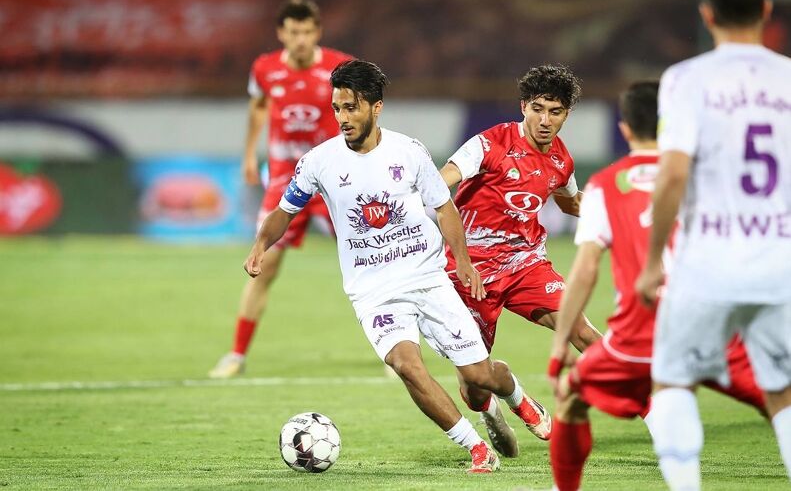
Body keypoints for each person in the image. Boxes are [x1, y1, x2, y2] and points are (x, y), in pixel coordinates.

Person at [244, 59, 550, 473]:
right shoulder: (318, 161)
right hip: (374, 291)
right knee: (406, 365)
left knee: (480, 375)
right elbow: (285, 210)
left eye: (351, 108)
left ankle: (515, 395)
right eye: (337, 108)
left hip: (427, 277)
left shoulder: (409, 152)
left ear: (376, 107)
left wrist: (463, 262)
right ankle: (476, 447)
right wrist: (261, 244)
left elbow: (444, 207)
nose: (343, 118)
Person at [546, 81, 766, 491]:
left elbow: (585, 271)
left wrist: (560, 345)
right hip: (710, 330)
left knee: (573, 400)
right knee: (778, 399)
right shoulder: (702, 177)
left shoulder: (605, 185)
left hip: (638, 337)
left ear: (625, 128)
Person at [634, 0, 791, 488]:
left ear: (707, 14)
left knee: (673, 381)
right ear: (765, 10)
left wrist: (653, 261)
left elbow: (674, 173)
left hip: (708, 261)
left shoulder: (687, 79)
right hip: (779, 262)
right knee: (782, 391)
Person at [439, 64, 601, 457]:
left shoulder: (561, 160)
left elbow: (569, 202)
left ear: (566, 114)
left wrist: (619, 211)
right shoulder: (489, 144)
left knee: (578, 327)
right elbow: (443, 179)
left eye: (555, 112)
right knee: (475, 385)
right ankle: (507, 400)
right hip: (470, 270)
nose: (545, 121)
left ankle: (650, 403)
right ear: (523, 106)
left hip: (526, 264)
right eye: (538, 109)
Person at [210, 0, 353, 378]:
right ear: (281, 33)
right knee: (264, 265)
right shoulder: (265, 69)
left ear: (317, 32)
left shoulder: (341, 68)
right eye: (293, 32)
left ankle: (398, 348)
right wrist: (248, 154)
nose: (300, 39)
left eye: (307, 31)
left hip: (333, 179)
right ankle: (236, 355)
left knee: (368, 258)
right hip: (284, 180)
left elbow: (361, 113)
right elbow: (258, 106)